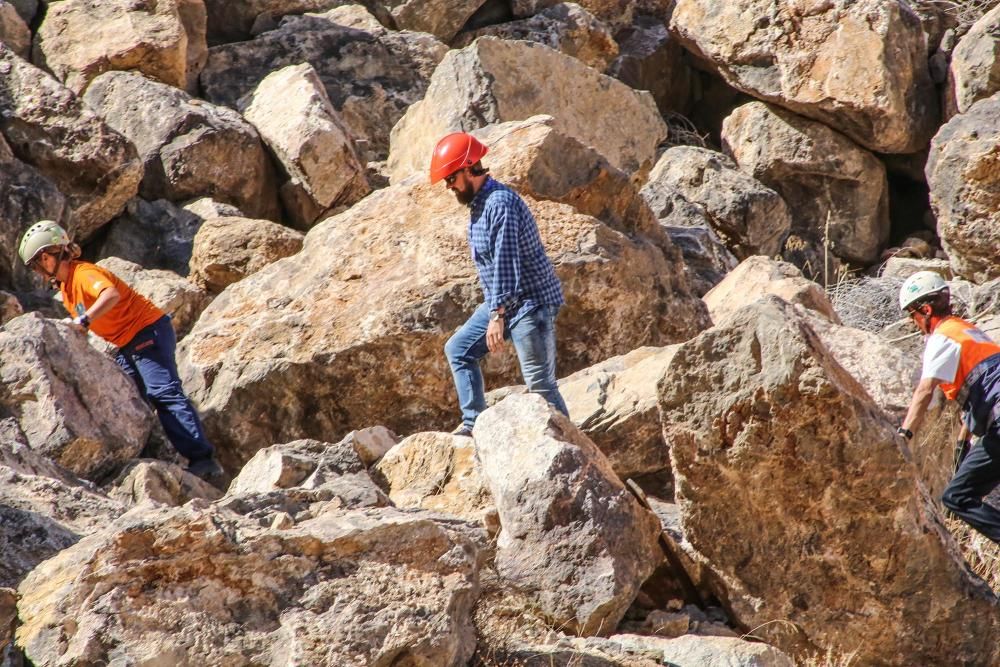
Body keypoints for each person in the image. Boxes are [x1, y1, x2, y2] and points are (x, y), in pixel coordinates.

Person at [18, 220, 223, 481]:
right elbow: (87, 319)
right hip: (127, 343)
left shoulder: (83, 274)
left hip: (147, 331)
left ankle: (203, 460)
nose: (38, 271)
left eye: (37, 263)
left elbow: (110, 295)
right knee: (128, 398)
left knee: (163, 392)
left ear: (48, 257)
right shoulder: (68, 290)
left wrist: (84, 321)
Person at [431, 132, 569, 436]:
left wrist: (498, 316)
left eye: (451, 178)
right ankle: (473, 424)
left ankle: (573, 446)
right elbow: (491, 269)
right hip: (505, 302)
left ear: (469, 168)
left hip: (531, 304)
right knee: (458, 349)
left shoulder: (500, 203)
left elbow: (507, 263)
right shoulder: (479, 205)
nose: (449, 186)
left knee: (540, 385)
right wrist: (496, 310)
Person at [897, 271, 1000, 543]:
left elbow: (924, 391)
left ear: (926, 310)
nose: (914, 322)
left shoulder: (941, 337)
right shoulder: (969, 332)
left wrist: (904, 435)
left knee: (957, 497)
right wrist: (961, 443)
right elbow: (982, 388)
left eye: (913, 315)